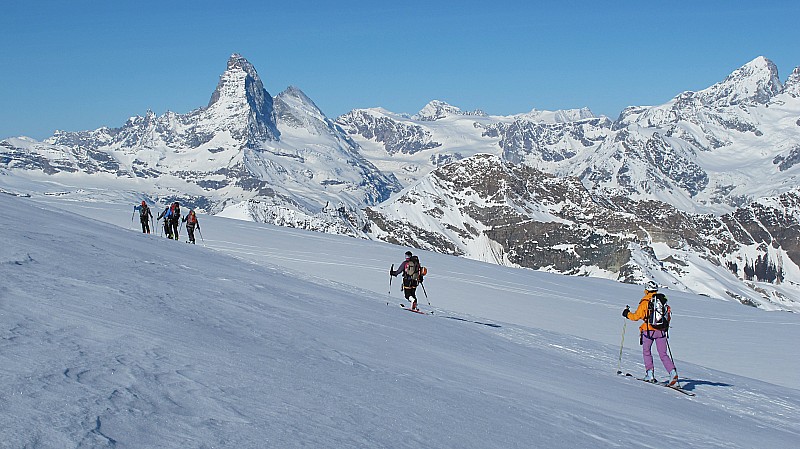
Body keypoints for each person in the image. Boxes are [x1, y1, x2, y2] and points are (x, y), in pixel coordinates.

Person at [623, 281, 678, 385]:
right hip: (661, 331)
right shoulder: (662, 301)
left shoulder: (645, 302)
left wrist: (627, 314)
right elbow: (668, 316)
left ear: (646, 289)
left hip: (648, 330)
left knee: (647, 352)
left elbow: (636, 317)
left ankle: (650, 374)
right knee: (663, 354)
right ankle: (672, 372)